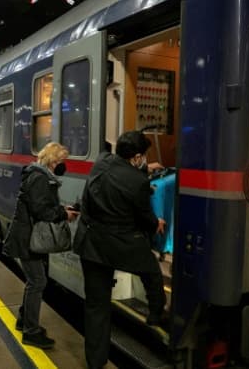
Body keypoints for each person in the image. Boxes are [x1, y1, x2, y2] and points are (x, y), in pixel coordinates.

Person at [73, 130, 167, 369]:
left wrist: (145, 171)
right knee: (152, 272)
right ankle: (156, 313)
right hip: (121, 245)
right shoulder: (139, 183)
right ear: (136, 157)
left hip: (91, 243)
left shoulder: (101, 162)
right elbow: (146, 219)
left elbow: (117, 176)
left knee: (96, 306)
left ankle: (96, 361)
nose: (144, 160)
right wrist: (157, 223)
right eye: (143, 157)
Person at [2, 142, 79, 349]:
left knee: (34, 280)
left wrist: (62, 208)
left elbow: (42, 205)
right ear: (53, 161)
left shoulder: (39, 175)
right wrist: (64, 214)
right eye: (62, 161)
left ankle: (24, 320)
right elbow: (41, 211)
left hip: (29, 237)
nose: (63, 165)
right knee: (38, 282)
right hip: (28, 239)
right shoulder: (39, 178)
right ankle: (31, 332)